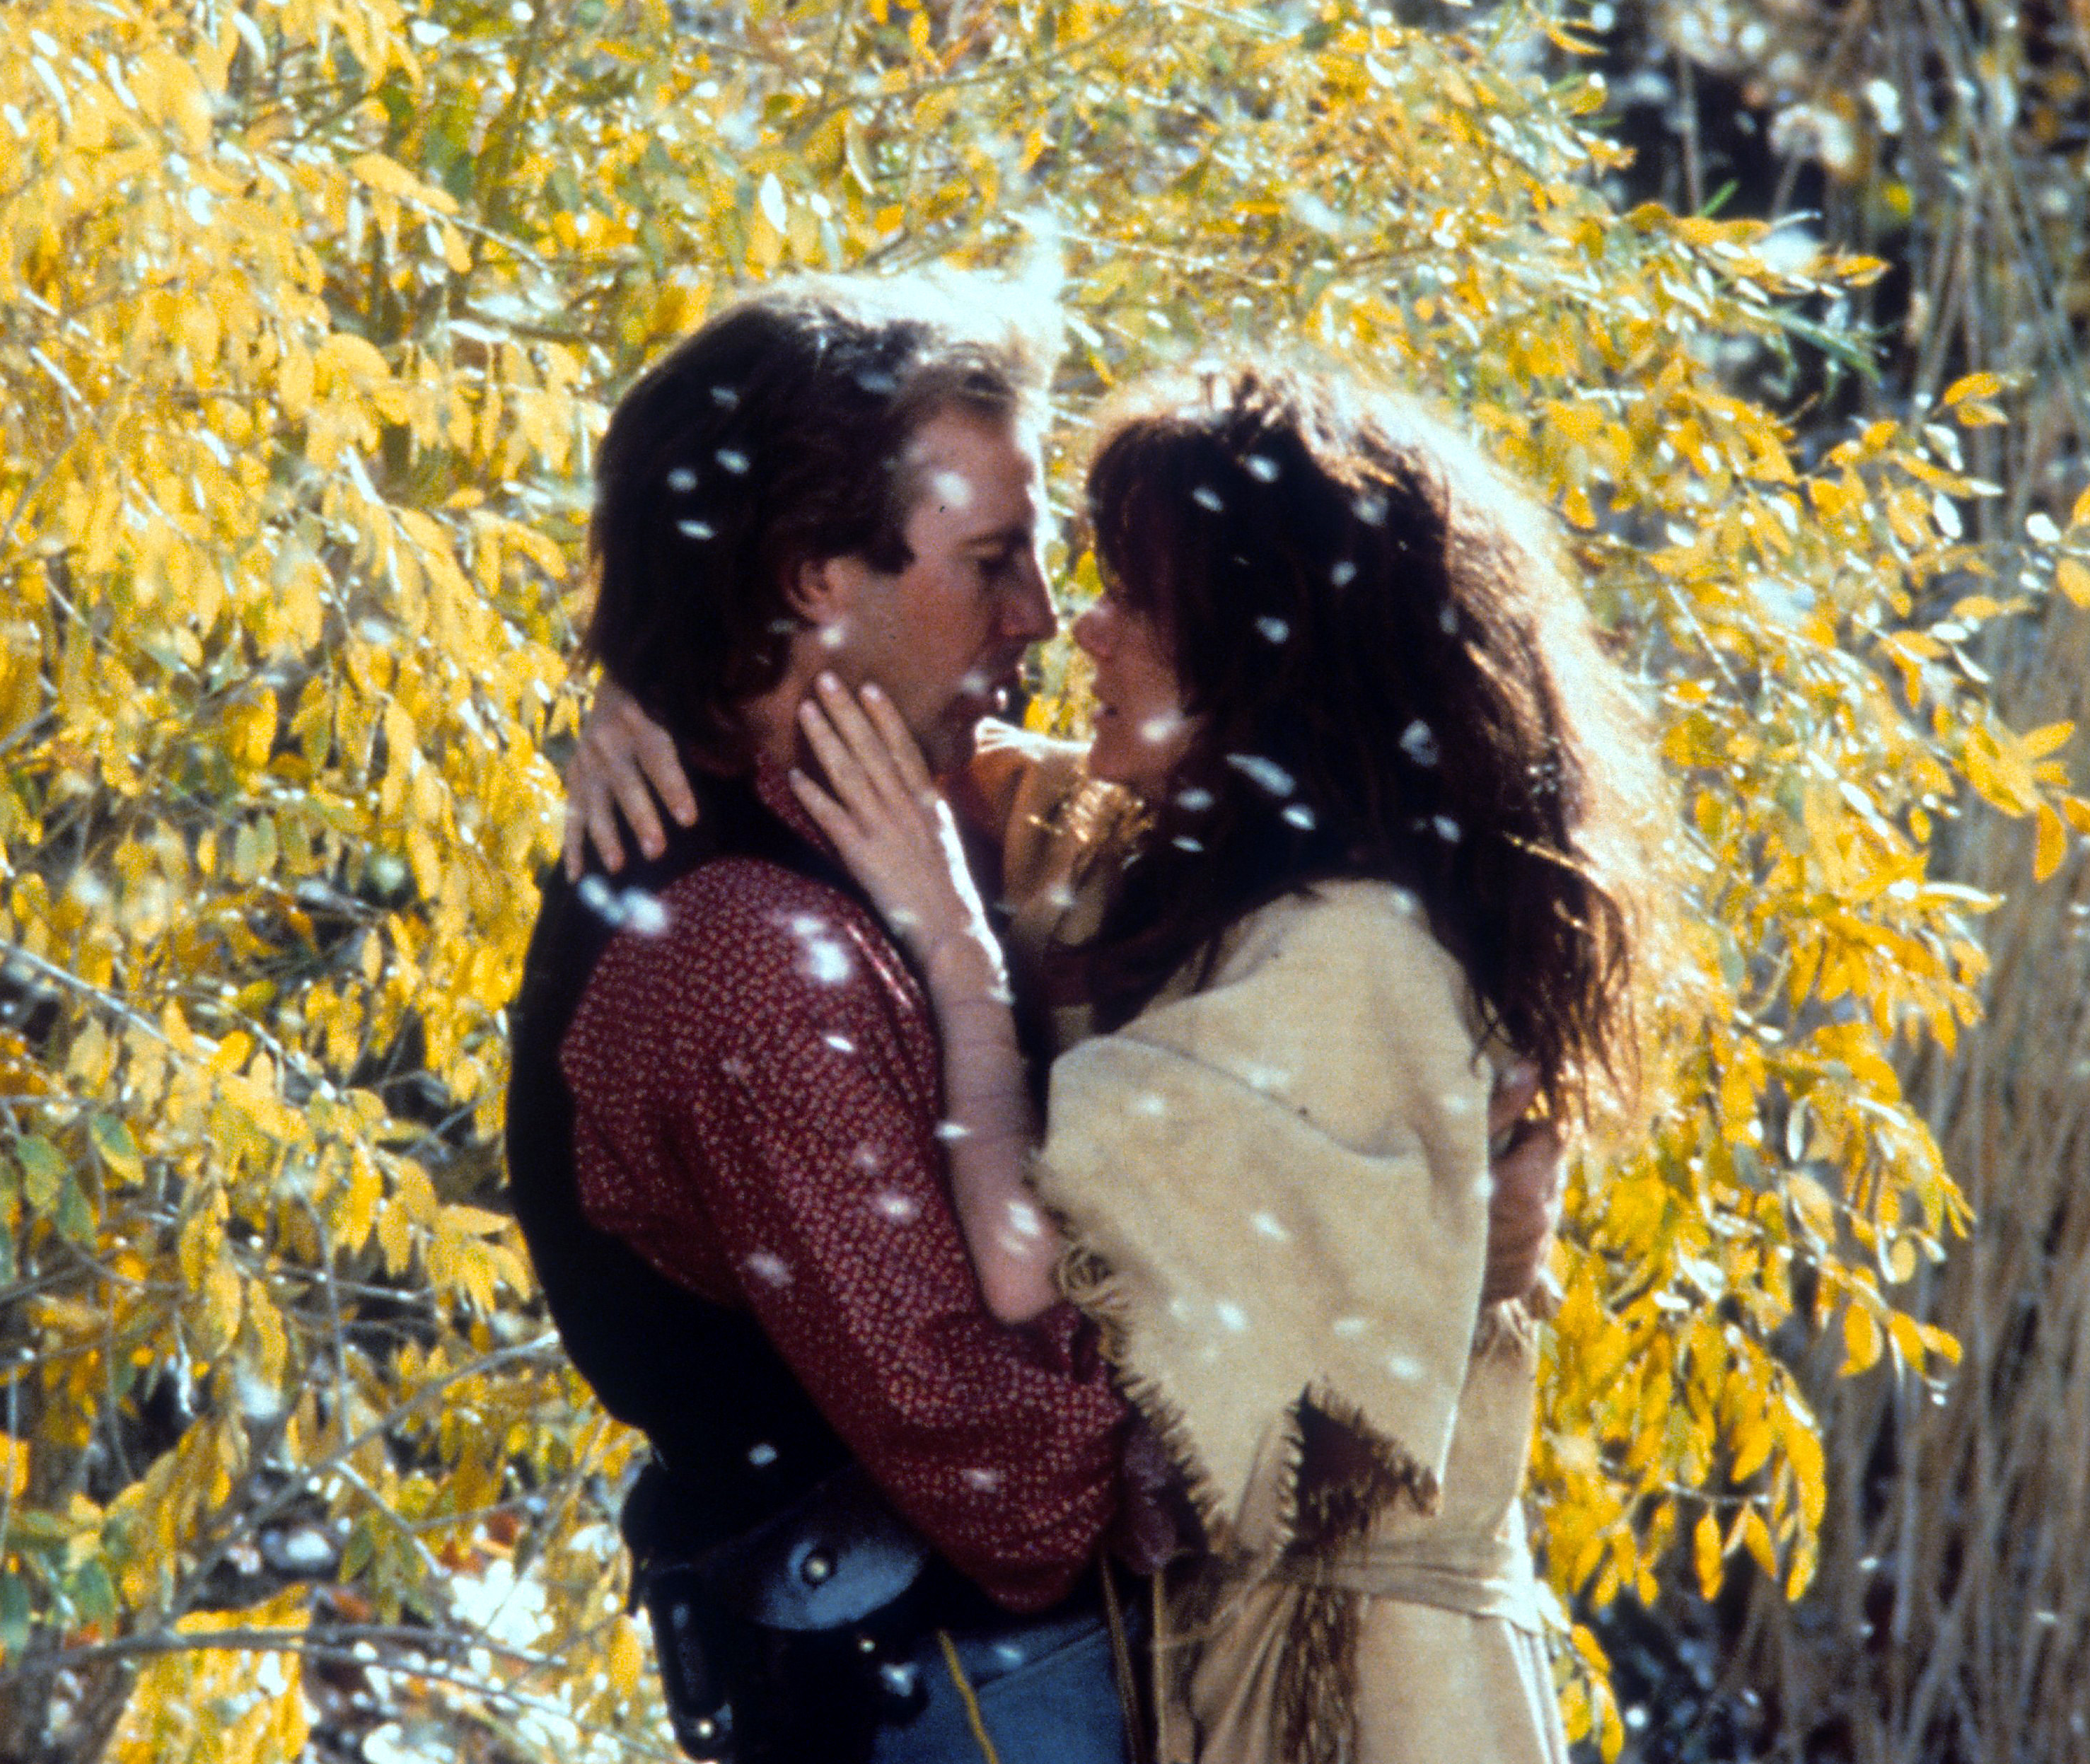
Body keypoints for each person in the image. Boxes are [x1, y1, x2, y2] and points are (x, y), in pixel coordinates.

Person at [567, 353, 1649, 1762]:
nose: (1079, 626)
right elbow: (885, 750)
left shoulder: (1354, 958)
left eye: (1132, 593)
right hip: (1219, 1668)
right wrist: (662, 707)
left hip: (1373, 1699)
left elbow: (1022, 1259)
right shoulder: (1172, 861)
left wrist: (957, 958)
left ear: (1259, 643)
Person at [506, 272, 1161, 1764]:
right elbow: (1021, 1490)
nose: (1042, 618)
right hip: (967, 1703)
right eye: (992, 563)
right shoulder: (745, 957)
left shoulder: (904, 806)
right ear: (811, 572)